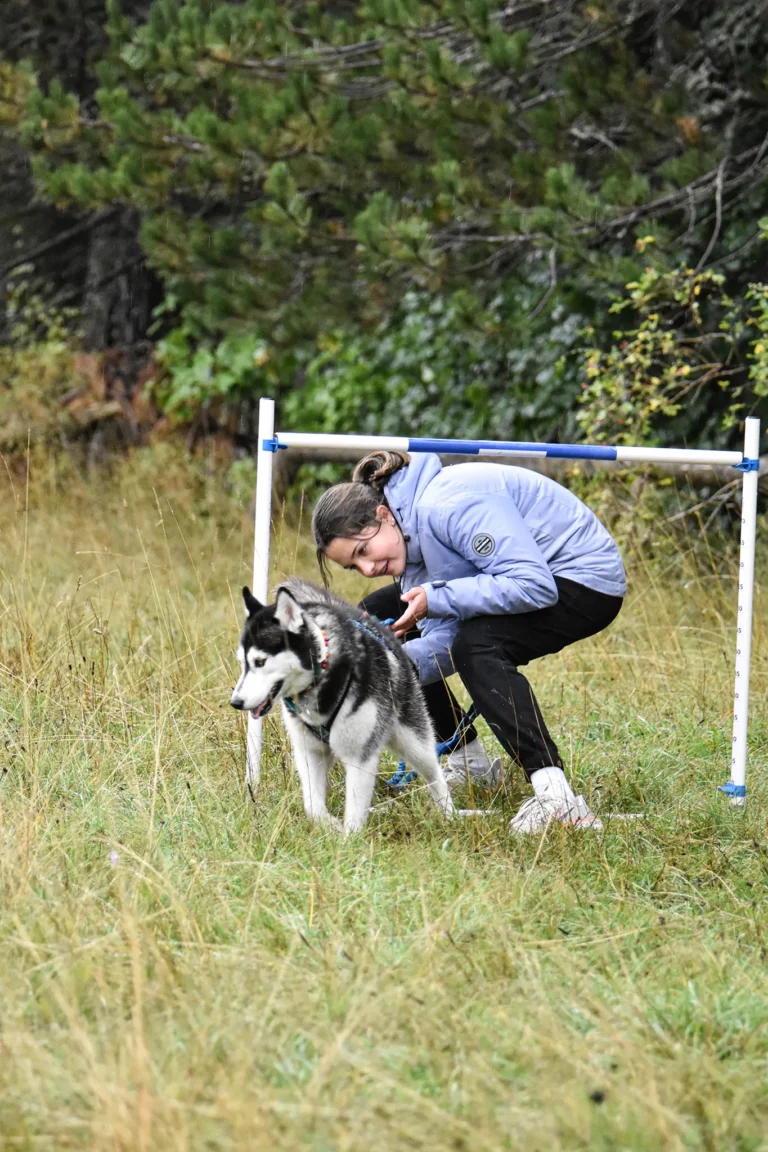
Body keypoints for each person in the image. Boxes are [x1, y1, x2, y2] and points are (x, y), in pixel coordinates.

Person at [312, 450, 626, 833]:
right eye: (353, 566)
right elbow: (443, 638)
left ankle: (557, 799)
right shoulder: (411, 549)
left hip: (583, 579)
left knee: (478, 646)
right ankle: (469, 762)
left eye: (363, 550)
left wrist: (437, 599)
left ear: (383, 516)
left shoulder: (448, 503)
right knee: (372, 625)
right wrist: (386, 667)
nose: (367, 569)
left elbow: (533, 585)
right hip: (537, 579)